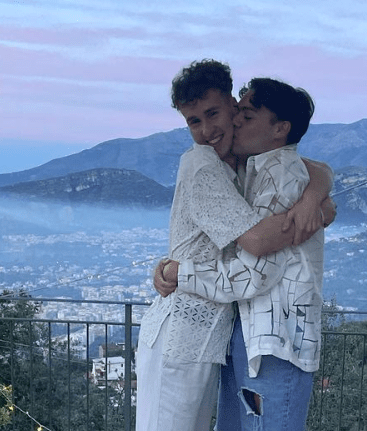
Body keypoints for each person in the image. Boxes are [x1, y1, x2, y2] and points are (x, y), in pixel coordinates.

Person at [135, 60, 334, 431]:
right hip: (182, 334)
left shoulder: (243, 165)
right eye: (194, 121)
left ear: (232, 106)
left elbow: (310, 165)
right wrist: (313, 211)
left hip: (213, 340)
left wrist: (313, 199)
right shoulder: (205, 166)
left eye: (215, 114)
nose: (208, 129)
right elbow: (258, 241)